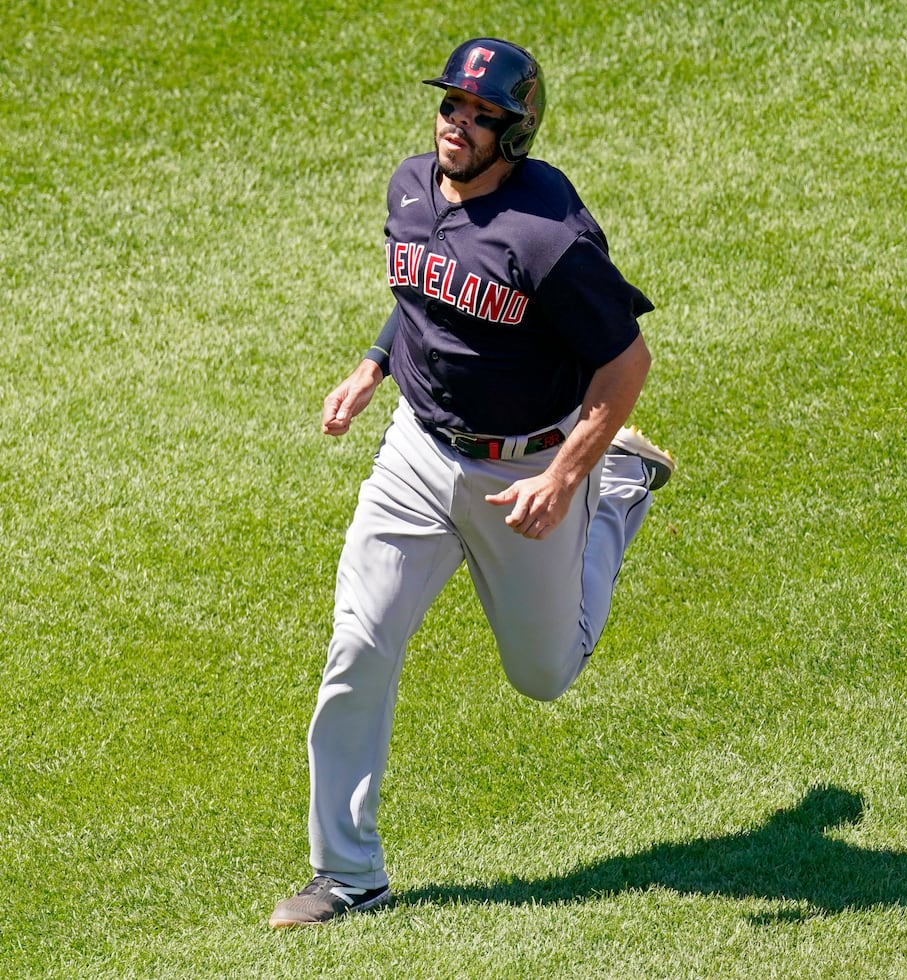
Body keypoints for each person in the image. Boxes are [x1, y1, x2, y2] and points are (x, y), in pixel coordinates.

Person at [269, 37, 674, 927]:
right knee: (357, 647)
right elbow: (427, 288)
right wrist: (373, 366)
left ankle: (618, 491)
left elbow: (625, 362)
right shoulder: (411, 186)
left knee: (544, 674)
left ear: (516, 133)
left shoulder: (549, 237)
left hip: (527, 466)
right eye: (452, 104)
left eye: (482, 115)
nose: (459, 123)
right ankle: (348, 874)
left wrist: (568, 478)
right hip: (415, 454)